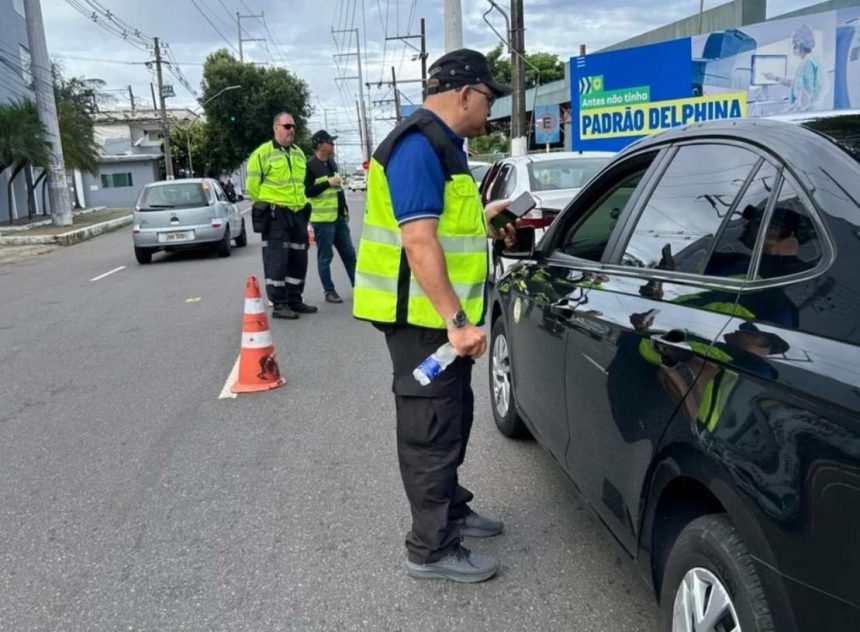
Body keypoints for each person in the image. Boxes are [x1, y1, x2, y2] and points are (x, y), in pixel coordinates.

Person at [352, 48, 515, 583]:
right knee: (431, 430)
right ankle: (431, 547)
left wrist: (486, 222)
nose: (489, 110)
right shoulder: (419, 145)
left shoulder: (445, 146)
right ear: (465, 93)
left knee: (453, 417)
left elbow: (443, 228)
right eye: (488, 98)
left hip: (439, 319)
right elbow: (419, 242)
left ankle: (452, 509)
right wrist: (458, 321)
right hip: (425, 322)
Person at [245, 112, 318, 320]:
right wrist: (269, 204)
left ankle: (295, 299)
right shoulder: (262, 154)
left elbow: (301, 184)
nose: (291, 130)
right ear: (276, 128)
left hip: (297, 212)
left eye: (293, 126)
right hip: (276, 213)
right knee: (276, 259)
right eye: (287, 126)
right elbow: (252, 187)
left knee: (299, 258)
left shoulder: (298, 154)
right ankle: (279, 304)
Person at [304, 130, 357, 304]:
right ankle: (329, 290)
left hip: (338, 219)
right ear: (320, 145)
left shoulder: (332, 163)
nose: (332, 145)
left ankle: (359, 287)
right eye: (330, 142)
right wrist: (327, 182)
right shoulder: (310, 166)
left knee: (349, 254)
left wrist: (344, 209)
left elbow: (338, 189)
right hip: (322, 221)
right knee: (325, 257)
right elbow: (307, 191)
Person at [765, 25, 824, 112]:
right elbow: (797, 83)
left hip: (807, 113)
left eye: (793, 43)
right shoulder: (812, 59)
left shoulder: (807, 63)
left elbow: (804, 101)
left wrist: (783, 113)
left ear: (798, 43)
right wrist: (775, 78)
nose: (793, 46)